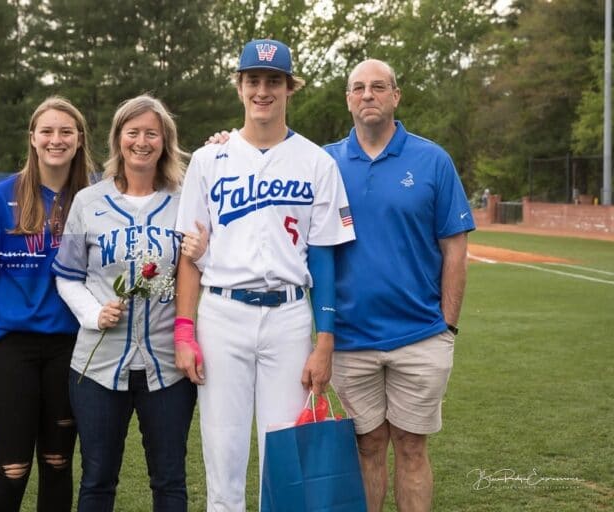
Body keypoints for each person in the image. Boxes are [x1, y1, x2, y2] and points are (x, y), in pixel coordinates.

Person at [173, 39, 356, 511]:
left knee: (283, 459)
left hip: (289, 316)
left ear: (289, 88)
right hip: (222, 313)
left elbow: (324, 256)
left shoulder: (317, 162)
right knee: (223, 452)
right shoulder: (208, 159)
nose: (262, 90)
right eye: (253, 80)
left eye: (273, 81)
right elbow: (189, 257)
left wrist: (325, 340)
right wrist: (184, 331)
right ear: (239, 87)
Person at [323, 59, 474, 512]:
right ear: (348, 99)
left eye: (377, 87)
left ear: (395, 96)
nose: (367, 95)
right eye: (358, 88)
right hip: (350, 339)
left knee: (411, 446)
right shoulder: (324, 162)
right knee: (367, 447)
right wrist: (225, 140)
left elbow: (455, 250)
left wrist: (446, 326)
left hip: (421, 336)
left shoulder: (432, 160)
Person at [51, 95, 206, 512]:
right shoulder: (88, 201)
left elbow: (204, 268)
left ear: (165, 141)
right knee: (98, 479)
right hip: (99, 365)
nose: (141, 141)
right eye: (132, 132)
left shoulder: (186, 199)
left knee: (170, 480)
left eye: (151, 133)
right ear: (118, 139)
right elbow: (66, 276)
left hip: (169, 366)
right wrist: (92, 312)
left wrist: (205, 249)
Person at [0, 96, 94, 511]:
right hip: (10, 349)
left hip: (71, 348)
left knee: (57, 462)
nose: (56, 139)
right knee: (13, 468)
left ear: (79, 139)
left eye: (66, 131)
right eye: (47, 131)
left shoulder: (95, 197)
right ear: (33, 139)